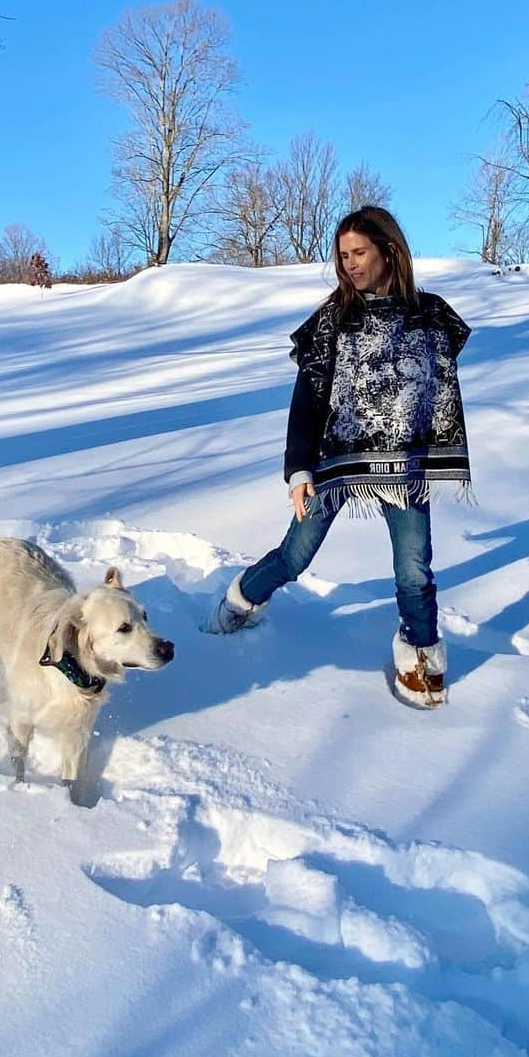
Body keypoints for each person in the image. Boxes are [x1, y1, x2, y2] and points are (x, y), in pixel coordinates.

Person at [202, 207, 472, 709]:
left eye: (360, 253)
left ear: (390, 250)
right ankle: (239, 601)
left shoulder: (430, 316)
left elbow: (434, 384)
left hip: (403, 469)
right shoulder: (333, 320)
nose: (350, 264)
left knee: (414, 569)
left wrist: (430, 444)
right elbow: (307, 400)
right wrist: (299, 469)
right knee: (294, 557)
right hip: (333, 463)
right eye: (343, 255)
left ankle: (419, 654)